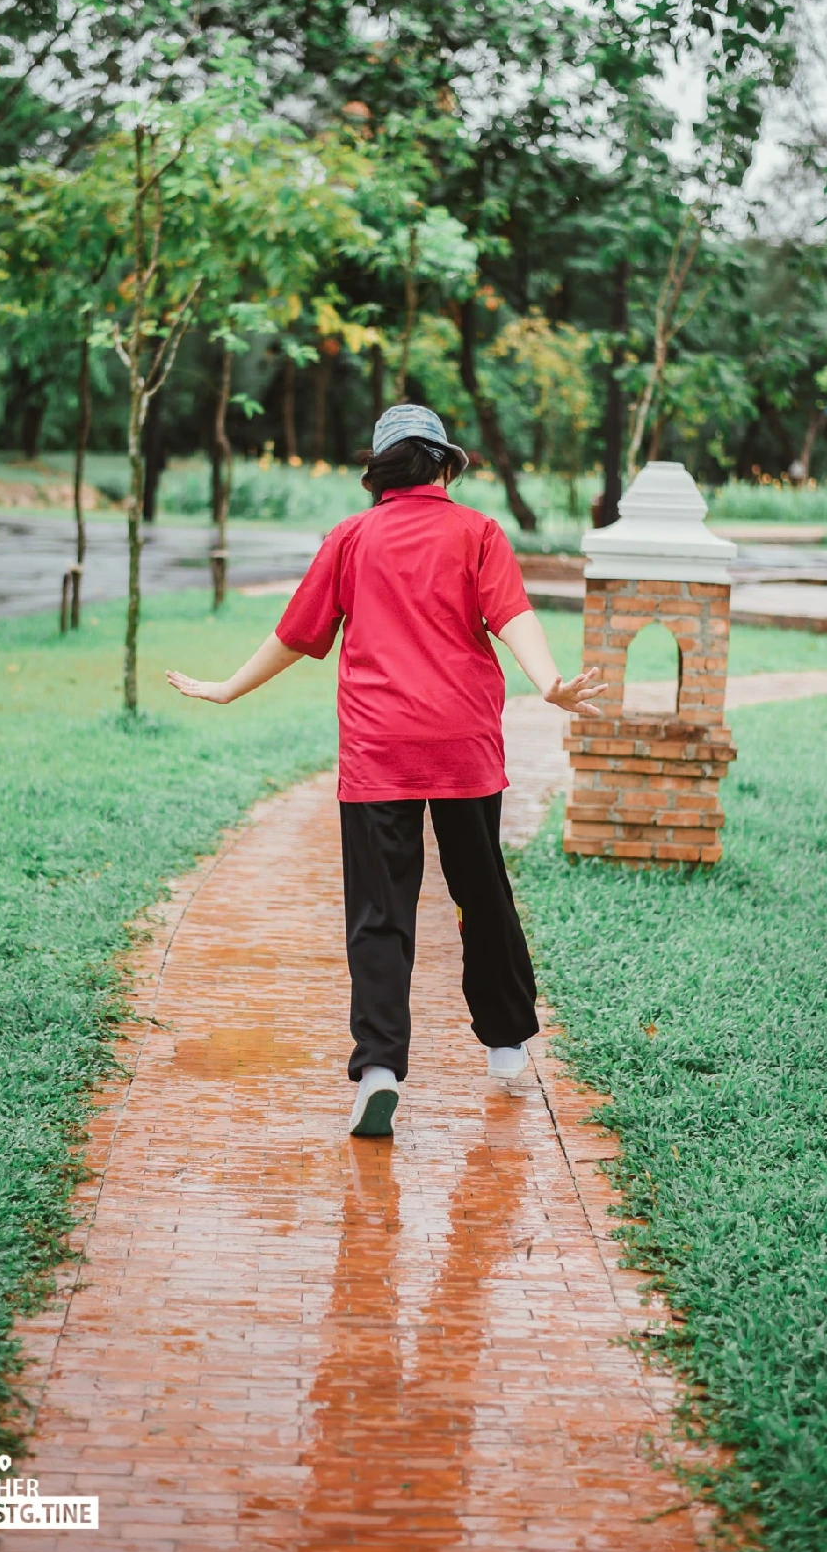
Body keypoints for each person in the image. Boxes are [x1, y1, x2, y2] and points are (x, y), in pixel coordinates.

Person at [166, 404, 605, 1138]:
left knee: (379, 911)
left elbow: (294, 635)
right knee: (481, 892)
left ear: (381, 473)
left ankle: (377, 1068)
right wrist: (548, 680)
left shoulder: (350, 537)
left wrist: (226, 687)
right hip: (462, 745)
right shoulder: (477, 532)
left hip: (378, 751)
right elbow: (511, 615)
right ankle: (503, 1045)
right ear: (441, 465)